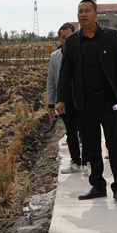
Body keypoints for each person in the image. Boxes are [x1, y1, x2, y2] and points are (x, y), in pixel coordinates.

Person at [56, 0, 117, 204]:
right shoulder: (72, 41)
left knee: (113, 143)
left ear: (96, 14)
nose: (83, 14)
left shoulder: (111, 36)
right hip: (84, 102)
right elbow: (65, 72)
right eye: (80, 11)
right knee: (91, 145)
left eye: (87, 11)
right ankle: (97, 185)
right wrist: (60, 99)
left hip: (109, 101)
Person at [47, 23, 84, 174]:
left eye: (69, 37)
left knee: (86, 130)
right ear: (59, 38)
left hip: (82, 98)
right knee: (71, 132)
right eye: (63, 38)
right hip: (65, 100)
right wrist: (51, 103)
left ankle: (88, 161)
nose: (66, 40)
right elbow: (51, 81)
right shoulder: (55, 57)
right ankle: (76, 162)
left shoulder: (82, 53)